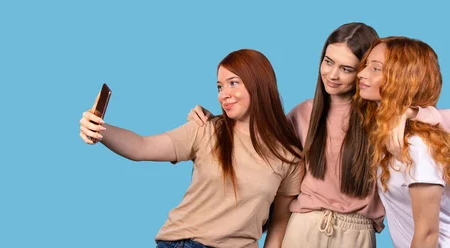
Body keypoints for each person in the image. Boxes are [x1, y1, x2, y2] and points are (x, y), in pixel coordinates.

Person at [186, 23, 448, 247]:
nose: (332, 75)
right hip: (302, 227)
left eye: (347, 68)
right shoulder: (304, 114)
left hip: (357, 233)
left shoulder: (382, 121)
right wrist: (217, 123)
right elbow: (259, 145)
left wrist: (417, 114)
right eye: (328, 61)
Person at [79, 49, 303, 248]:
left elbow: (280, 222)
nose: (223, 94)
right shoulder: (207, 130)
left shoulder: (288, 156)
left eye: (233, 83)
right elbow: (142, 147)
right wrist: (101, 129)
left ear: (259, 84)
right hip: (184, 243)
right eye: (219, 86)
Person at [357, 36, 450, 248]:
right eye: (366, 66)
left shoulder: (417, 146)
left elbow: (427, 235)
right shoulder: (391, 137)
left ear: (402, 79)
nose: (361, 73)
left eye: (376, 69)